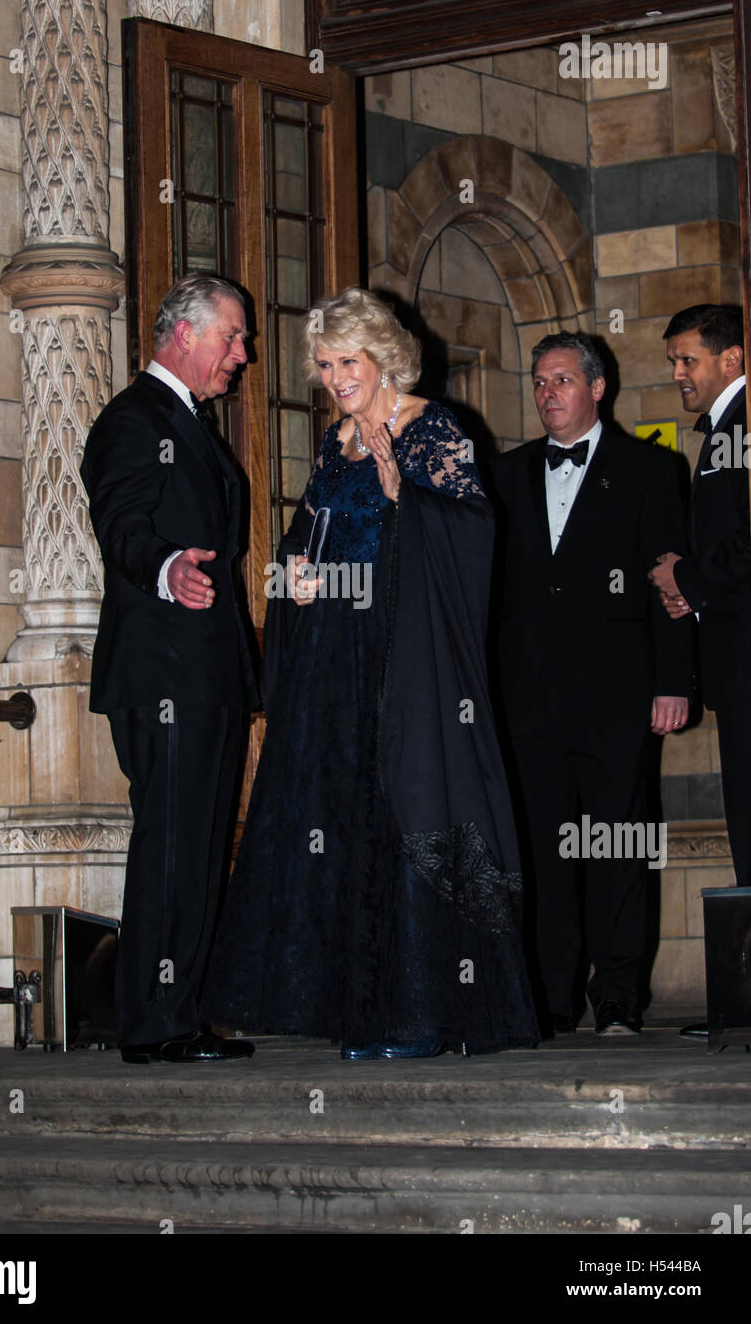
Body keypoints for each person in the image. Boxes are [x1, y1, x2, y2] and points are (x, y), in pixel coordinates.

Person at [203, 286, 539, 1059]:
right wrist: (298, 580)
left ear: (383, 356)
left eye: (346, 360)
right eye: (324, 364)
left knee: (402, 818)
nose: (334, 376)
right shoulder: (336, 441)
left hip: (402, 662)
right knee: (339, 824)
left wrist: (405, 499)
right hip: (331, 661)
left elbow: (475, 535)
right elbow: (309, 542)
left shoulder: (433, 430)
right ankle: (357, 1006)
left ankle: (422, 1013)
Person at [491, 332, 693, 1039]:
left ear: (597, 388)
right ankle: (551, 1001)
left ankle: (617, 1001)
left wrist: (674, 683)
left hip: (618, 699)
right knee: (545, 856)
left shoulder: (649, 469)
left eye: (563, 380)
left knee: (615, 849)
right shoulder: (506, 474)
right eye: (541, 382)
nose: (548, 392)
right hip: (527, 703)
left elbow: (668, 584)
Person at [80, 273, 258, 1064]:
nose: (243, 355)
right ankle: (155, 1023)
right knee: (173, 844)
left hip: (203, 673)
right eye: (233, 336)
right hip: (164, 675)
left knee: (198, 841)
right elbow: (121, 524)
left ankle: (179, 1010)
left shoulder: (186, 421)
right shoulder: (133, 420)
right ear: (185, 334)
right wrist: (165, 567)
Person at [648, 304, 751, 1041]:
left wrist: (686, 575)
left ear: (733, 359)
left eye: (688, 359)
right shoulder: (721, 429)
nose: (676, 373)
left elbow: (744, 546)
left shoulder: (741, 425)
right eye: (674, 359)